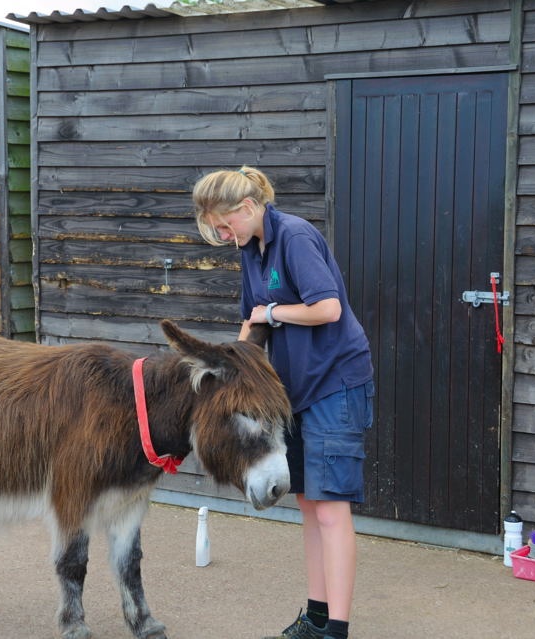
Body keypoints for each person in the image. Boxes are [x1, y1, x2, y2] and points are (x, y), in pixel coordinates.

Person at [193, 166, 374, 639]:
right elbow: (252, 327)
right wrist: (227, 373)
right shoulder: (250, 251)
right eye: (217, 229)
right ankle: (315, 616)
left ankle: (337, 630)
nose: (222, 234)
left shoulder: (294, 236)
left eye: (224, 224)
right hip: (292, 391)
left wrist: (272, 311)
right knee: (309, 505)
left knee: (332, 508)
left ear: (248, 208)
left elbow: (327, 308)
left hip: (336, 382)